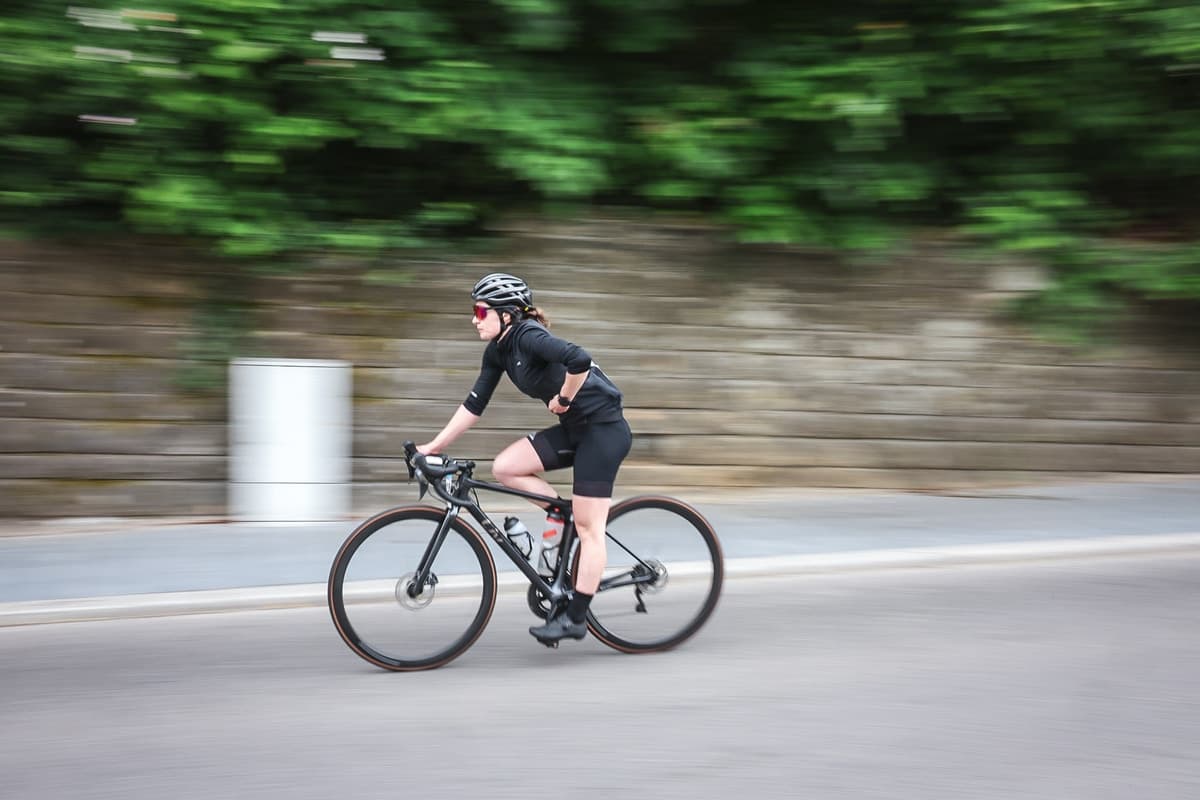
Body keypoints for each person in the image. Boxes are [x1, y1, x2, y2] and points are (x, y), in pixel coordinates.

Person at [417, 272, 633, 645]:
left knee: (589, 529)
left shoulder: (529, 336)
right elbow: (474, 405)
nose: (474, 318)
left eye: (480, 310)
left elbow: (579, 359)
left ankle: (576, 618)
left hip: (603, 429)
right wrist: (431, 448)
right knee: (506, 467)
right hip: (574, 429)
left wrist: (564, 399)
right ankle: (559, 512)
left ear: (506, 314)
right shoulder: (498, 350)